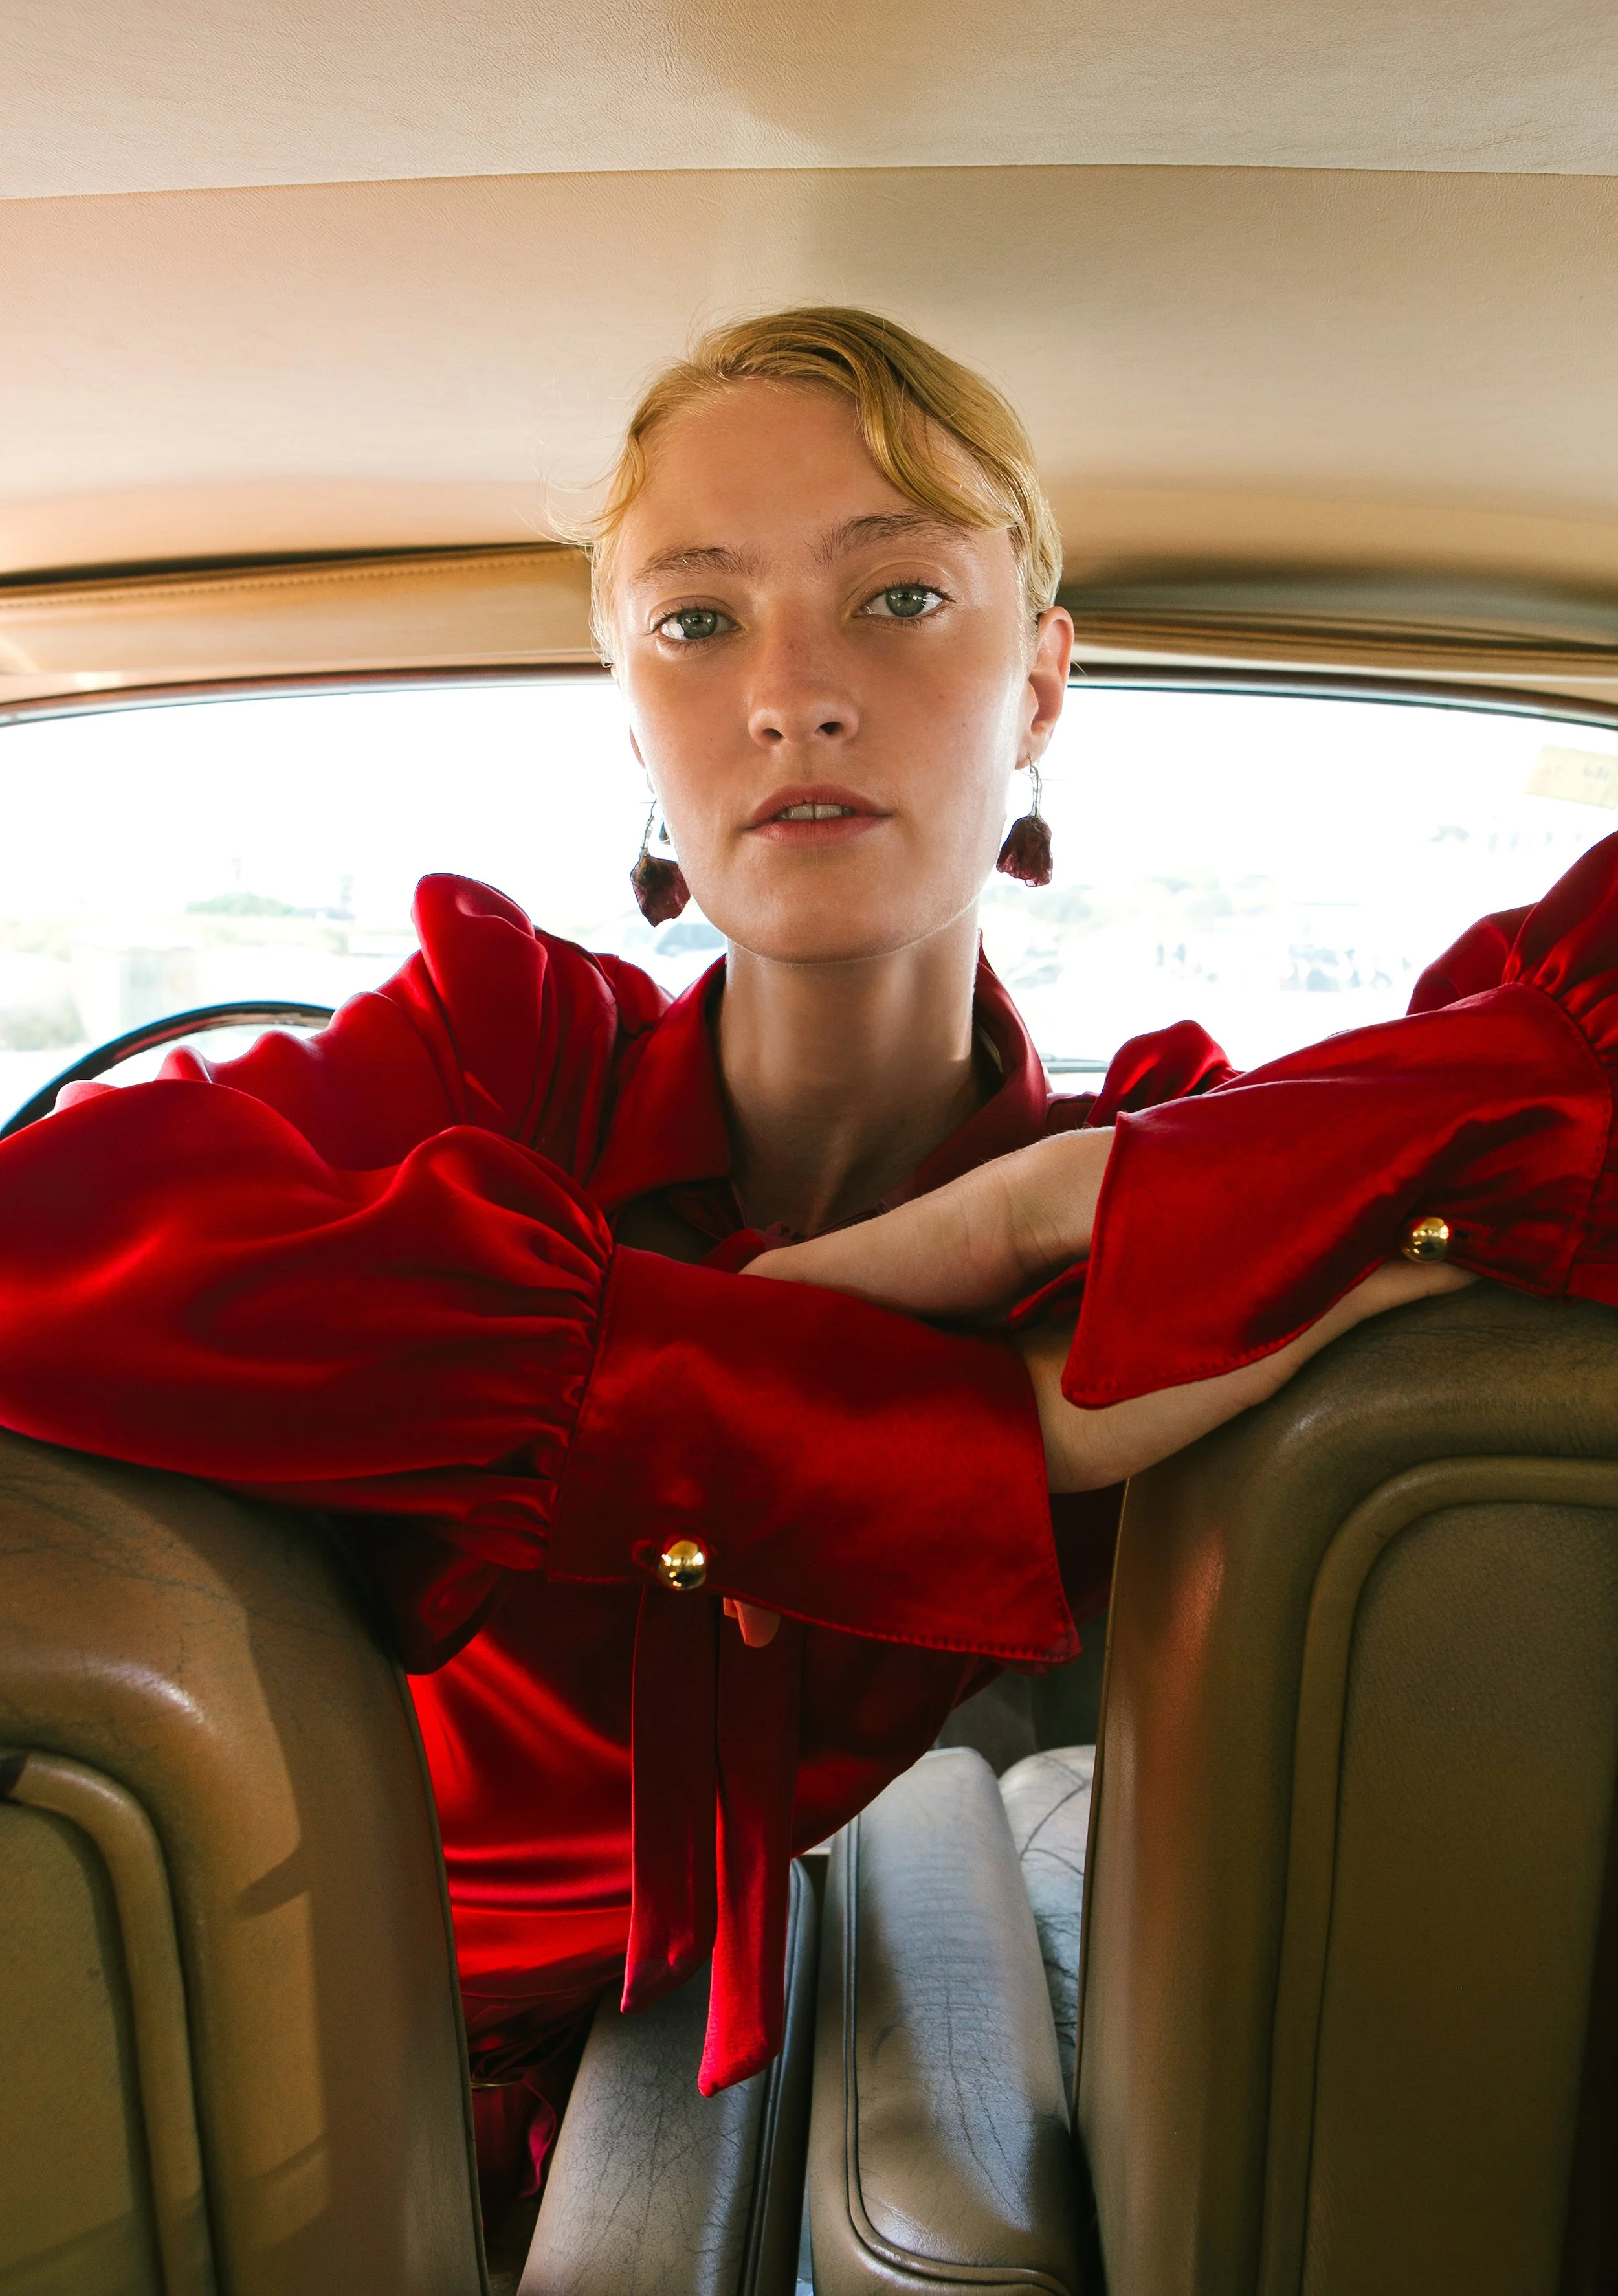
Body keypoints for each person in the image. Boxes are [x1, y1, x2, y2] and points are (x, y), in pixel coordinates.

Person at [0, 307, 1612, 2220]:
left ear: (1039, 685)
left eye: (903, 595)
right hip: (193, 2057)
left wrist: (1029, 1217)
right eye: (696, 620)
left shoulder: (1156, 1190)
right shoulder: (491, 1067)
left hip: (672, 2133)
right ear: (633, 717)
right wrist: (929, 1419)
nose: (791, 693)